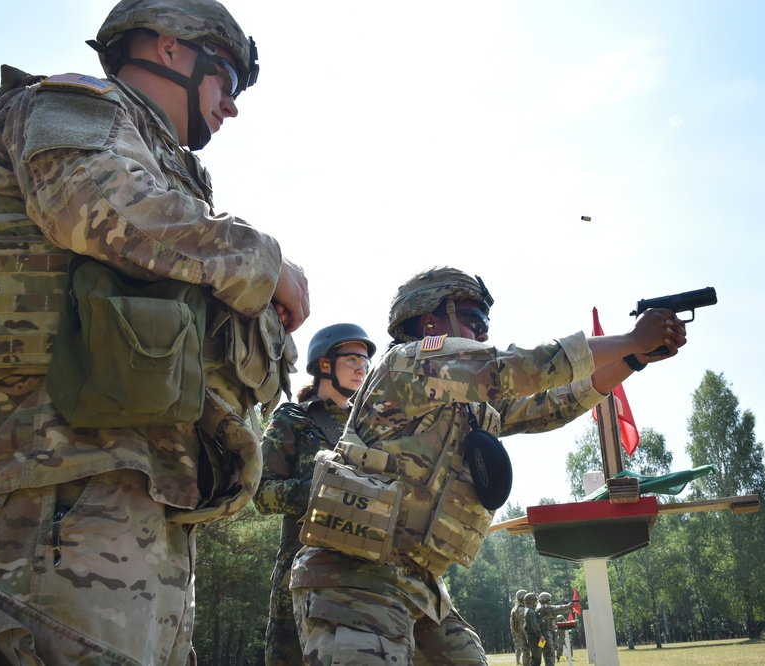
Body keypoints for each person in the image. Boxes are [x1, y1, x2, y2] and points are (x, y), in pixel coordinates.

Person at [0, 0, 309, 662]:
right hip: (58, 488)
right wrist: (264, 263)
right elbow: (93, 205)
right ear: (171, 47)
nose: (230, 106)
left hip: (145, 500)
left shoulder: (163, 164)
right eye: (226, 79)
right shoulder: (68, 105)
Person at [290, 266, 686, 665]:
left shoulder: (468, 402)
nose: (483, 333)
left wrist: (632, 358)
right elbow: (515, 367)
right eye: (474, 320)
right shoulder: (407, 365)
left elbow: (550, 405)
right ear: (430, 321)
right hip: (352, 581)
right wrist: (631, 338)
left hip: (419, 587)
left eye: (486, 323)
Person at [254, 324, 377, 666]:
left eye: (365, 363)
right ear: (325, 364)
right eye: (352, 358)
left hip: (363, 581)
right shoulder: (293, 418)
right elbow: (262, 494)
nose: (360, 369)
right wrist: (324, 491)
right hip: (302, 579)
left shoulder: (369, 430)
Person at [537, 592, 574, 665]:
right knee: (550, 652)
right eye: (548, 600)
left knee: (548, 652)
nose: (550, 602)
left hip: (547, 633)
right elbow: (555, 608)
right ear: (544, 600)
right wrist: (567, 606)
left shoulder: (543, 607)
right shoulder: (543, 607)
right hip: (545, 634)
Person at [523, 592, 544, 666]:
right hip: (535, 638)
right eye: (535, 601)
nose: (536, 602)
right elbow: (535, 625)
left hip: (533, 637)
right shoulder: (531, 612)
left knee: (536, 658)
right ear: (531, 602)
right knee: (536, 658)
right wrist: (540, 635)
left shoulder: (527, 610)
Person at [510, 588, 529, 665]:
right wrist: (527, 636)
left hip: (518, 633)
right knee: (526, 651)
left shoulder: (515, 608)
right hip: (522, 634)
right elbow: (522, 625)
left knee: (524, 651)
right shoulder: (521, 609)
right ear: (522, 598)